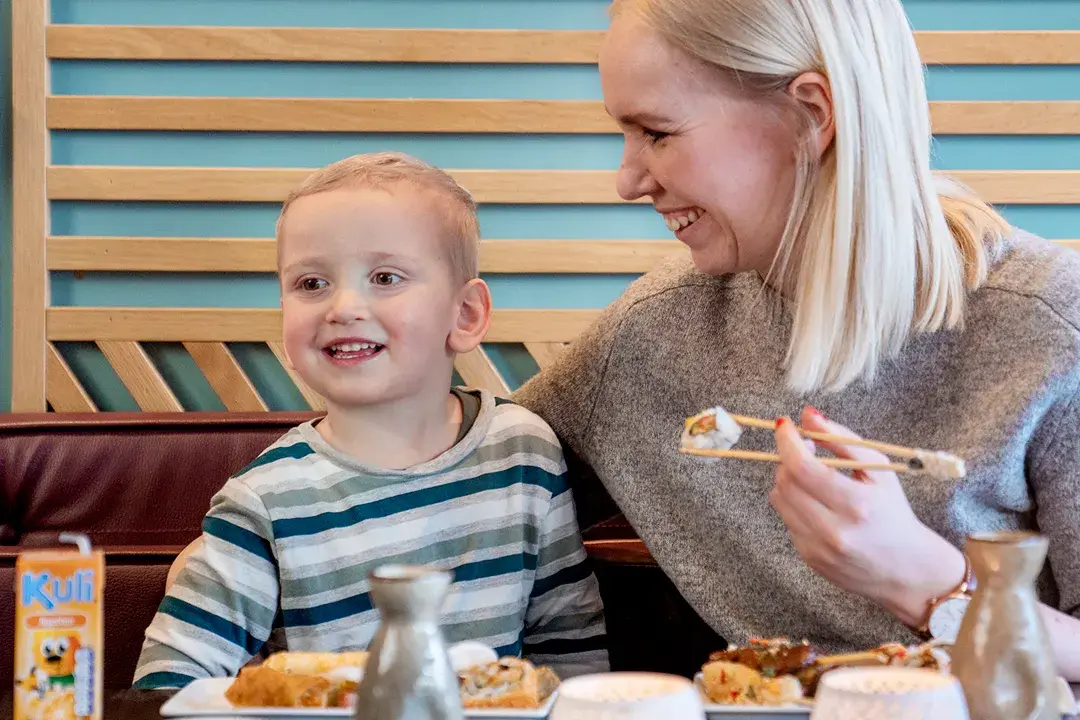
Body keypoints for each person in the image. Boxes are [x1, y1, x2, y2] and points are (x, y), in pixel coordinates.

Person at [512, 0, 1080, 680]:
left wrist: (926, 584)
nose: (628, 179)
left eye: (657, 132)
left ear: (812, 113)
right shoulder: (653, 334)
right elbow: (481, 467)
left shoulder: (1051, 325)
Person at [132, 152, 609, 689]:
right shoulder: (265, 500)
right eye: (311, 284)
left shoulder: (524, 451)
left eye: (385, 277)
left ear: (465, 314)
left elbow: (570, 646)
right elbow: (169, 683)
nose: (344, 306)